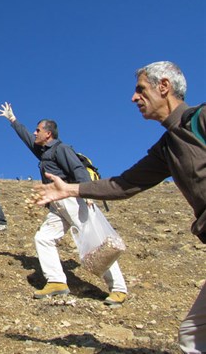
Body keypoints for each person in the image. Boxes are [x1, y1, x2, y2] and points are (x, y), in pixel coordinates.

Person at [34, 61, 204, 353]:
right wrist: (71, 189)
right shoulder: (166, 148)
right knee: (193, 334)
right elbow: (124, 184)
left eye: (140, 89)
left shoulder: (200, 120)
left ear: (164, 87)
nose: (133, 98)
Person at [0, 103, 128, 305]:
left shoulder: (61, 149)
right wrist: (13, 120)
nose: (34, 133)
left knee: (97, 244)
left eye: (38, 130)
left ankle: (119, 289)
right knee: (43, 238)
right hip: (57, 205)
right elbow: (27, 139)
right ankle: (57, 282)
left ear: (48, 134)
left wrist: (88, 193)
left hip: (74, 199)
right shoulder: (44, 152)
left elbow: (78, 169)